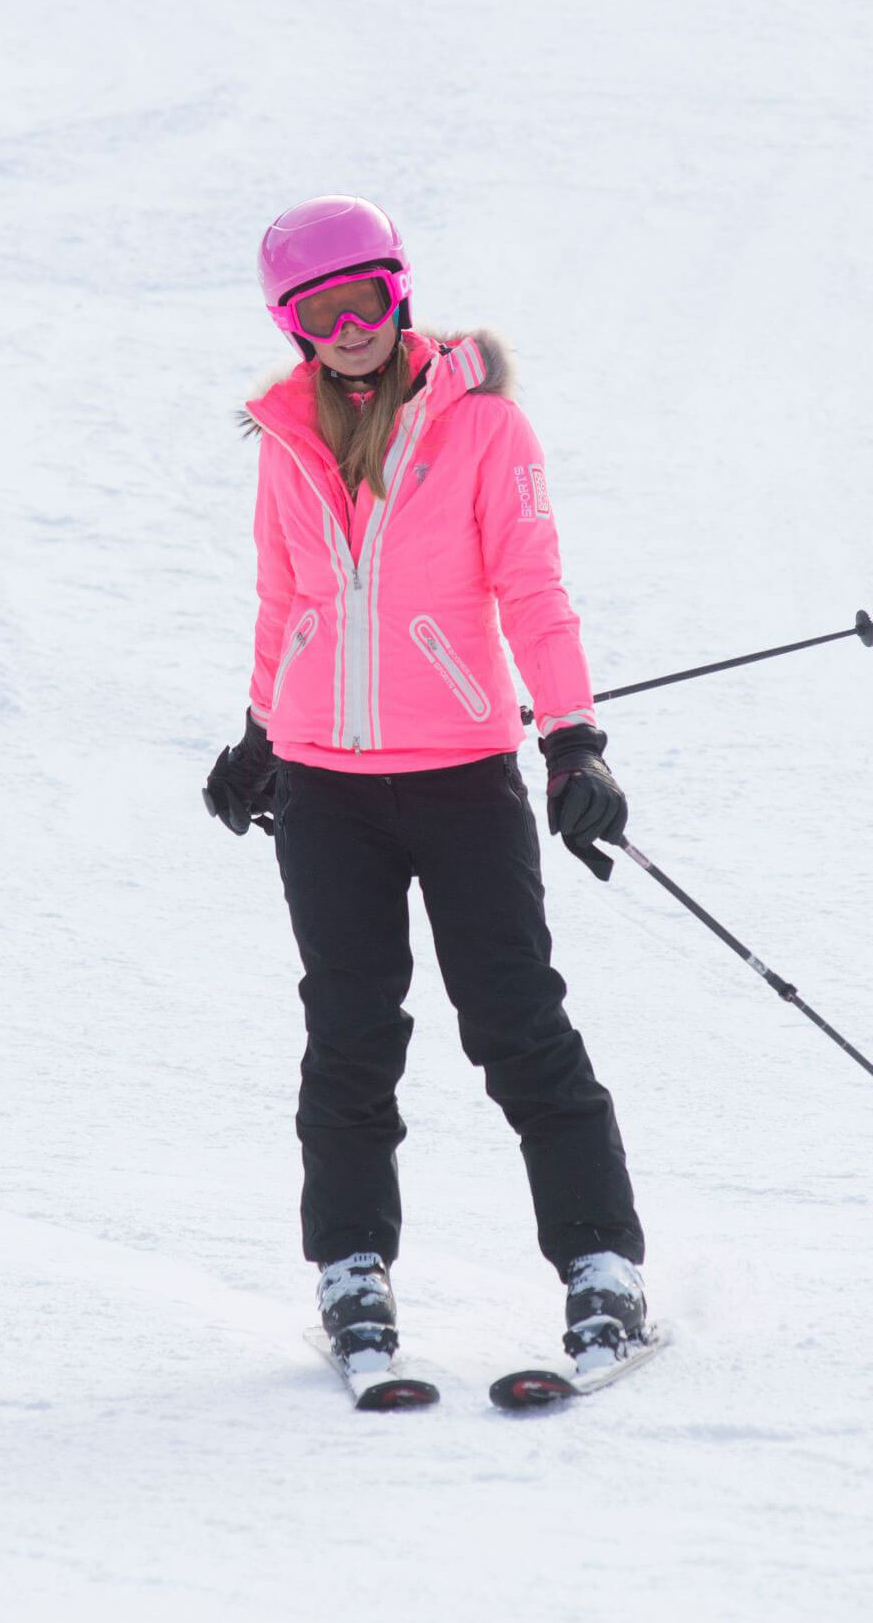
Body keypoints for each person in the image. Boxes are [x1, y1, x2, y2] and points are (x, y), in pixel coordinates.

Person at [204, 195, 646, 1368]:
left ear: (398, 291)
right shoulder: (286, 439)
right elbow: (285, 600)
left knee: (515, 1024)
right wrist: (259, 731)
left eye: (365, 298)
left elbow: (535, 596)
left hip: (459, 778)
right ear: (291, 324)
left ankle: (604, 1266)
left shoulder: (486, 430)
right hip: (321, 788)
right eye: (318, 309)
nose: (347, 326)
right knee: (349, 1034)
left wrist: (573, 743)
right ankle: (352, 1273)